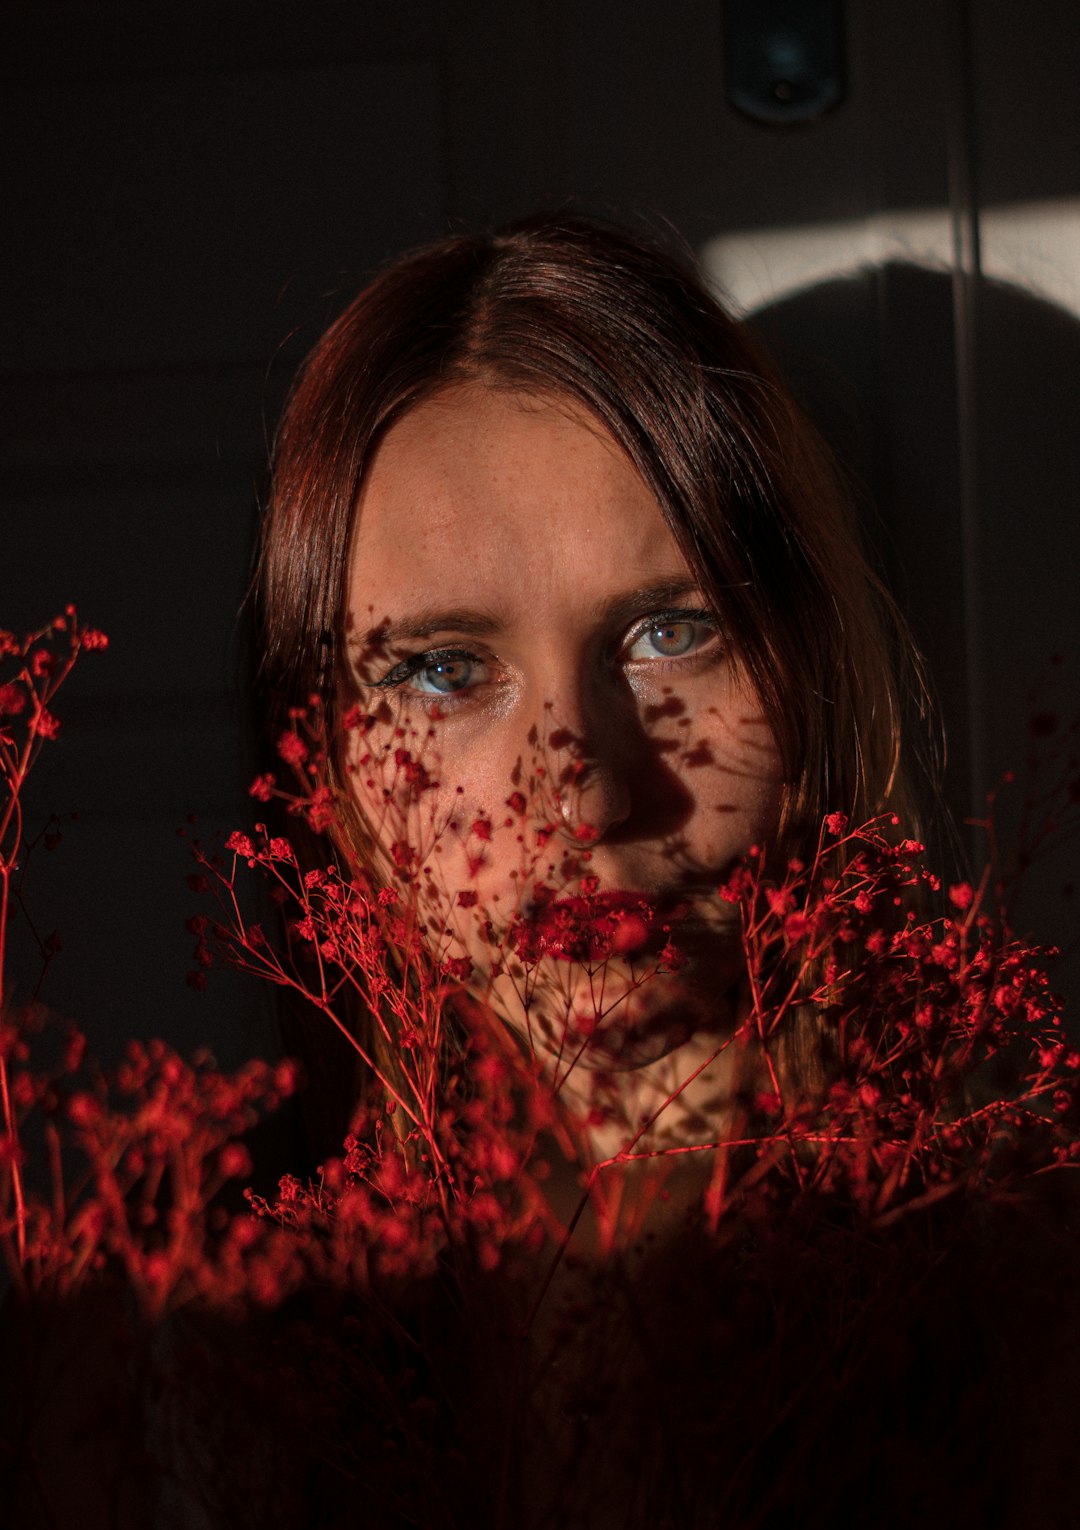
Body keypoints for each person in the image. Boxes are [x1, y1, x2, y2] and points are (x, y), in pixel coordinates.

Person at [253, 213, 927, 1199]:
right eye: (444, 668)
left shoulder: (1017, 1280)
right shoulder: (189, 1300)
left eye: (670, 636)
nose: (588, 802)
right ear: (320, 756)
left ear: (809, 658)